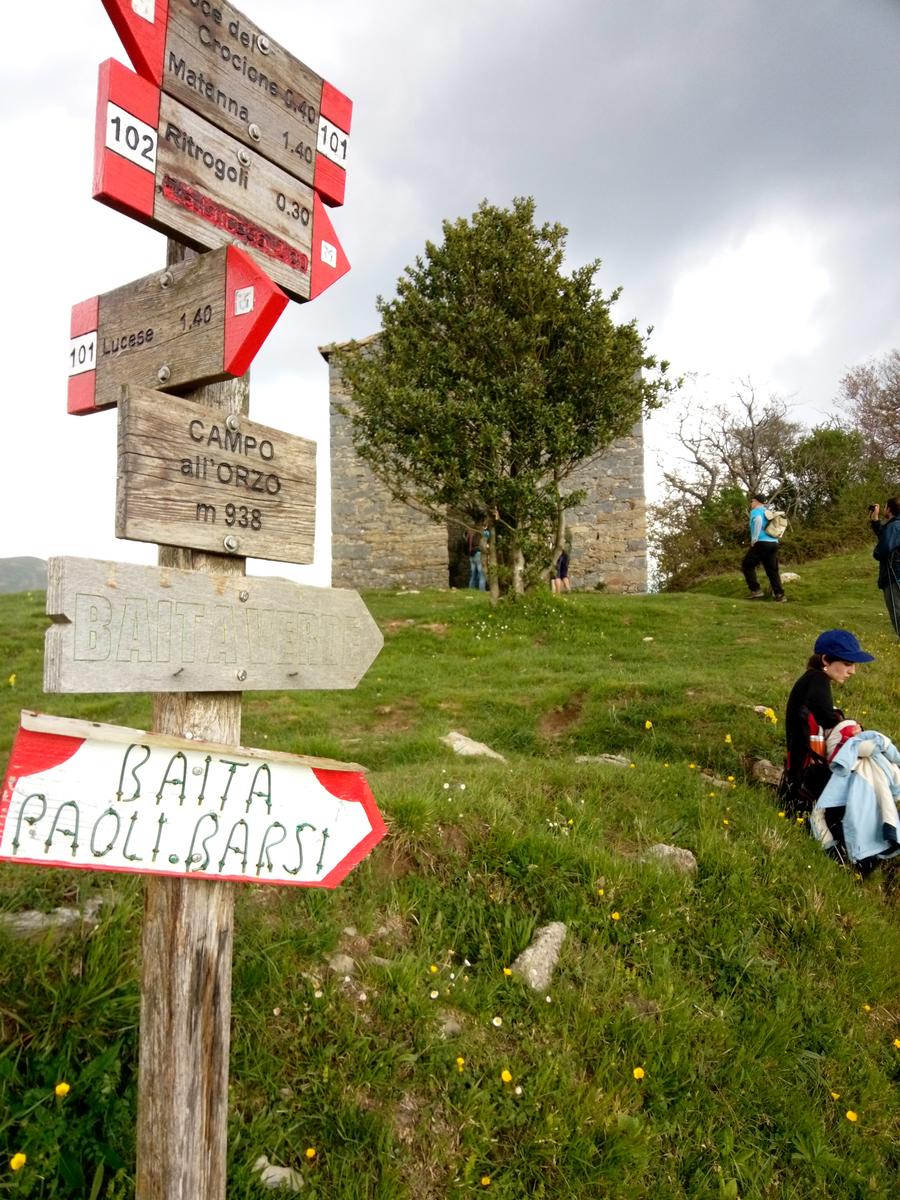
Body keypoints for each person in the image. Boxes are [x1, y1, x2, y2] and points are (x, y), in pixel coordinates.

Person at [780, 629, 875, 816]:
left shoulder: (811, 679)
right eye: (847, 663)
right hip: (807, 781)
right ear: (825, 660)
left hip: (798, 777)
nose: (852, 671)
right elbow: (830, 721)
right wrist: (855, 728)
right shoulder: (818, 681)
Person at [741, 495, 786, 602]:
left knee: (747, 565)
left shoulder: (756, 511)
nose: (751, 503)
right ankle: (780, 595)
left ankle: (756, 590)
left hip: (761, 542)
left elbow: (758, 520)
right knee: (772, 570)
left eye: (752, 501)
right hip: (773, 543)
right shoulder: (767, 512)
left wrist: (754, 539)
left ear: (756, 502)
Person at [869, 496, 900, 637]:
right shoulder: (895, 525)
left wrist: (876, 552)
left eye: (886, 506)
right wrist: (875, 520)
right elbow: (886, 536)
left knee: (897, 610)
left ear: (890, 509)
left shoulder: (895, 526)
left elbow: (883, 549)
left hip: (894, 575)